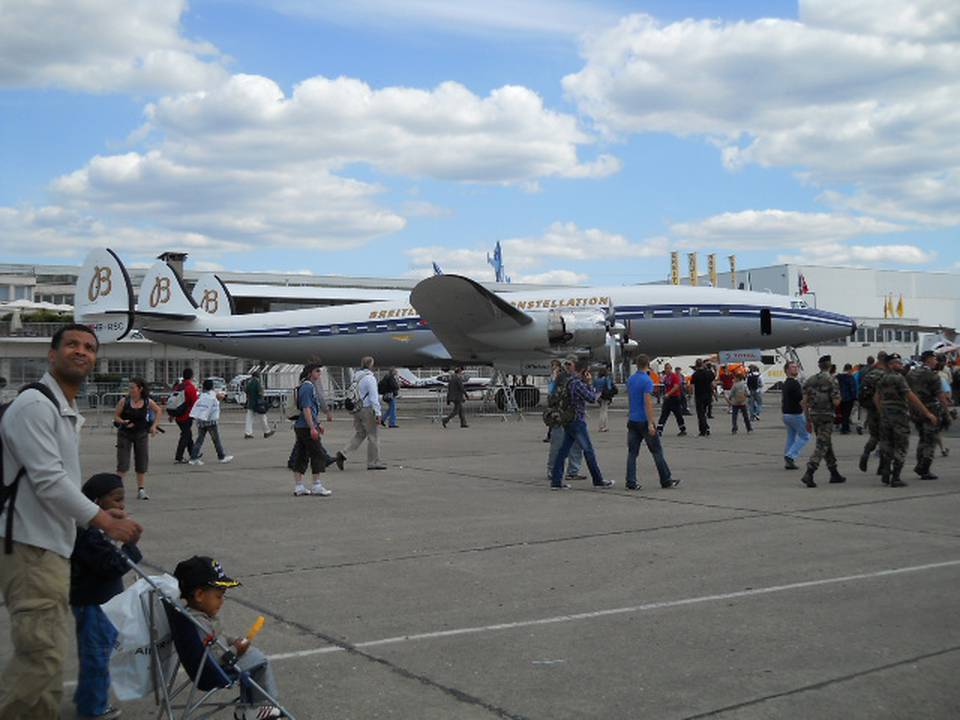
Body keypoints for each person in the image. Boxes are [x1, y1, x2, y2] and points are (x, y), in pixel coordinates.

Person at [0, 324, 143, 719]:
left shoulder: (61, 409)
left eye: (90, 347)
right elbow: (48, 481)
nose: (82, 352)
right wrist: (102, 520)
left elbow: (53, 482)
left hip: (49, 547)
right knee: (39, 658)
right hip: (32, 549)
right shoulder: (35, 406)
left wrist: (93, 511)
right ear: (52, 354)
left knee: (44, 655)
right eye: (72, 345)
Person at [173, 556, 283, 720]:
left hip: (209, 664)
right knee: (259, 660)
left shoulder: (194, 616)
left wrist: (232, 641)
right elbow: (217, 658)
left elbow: (218, 638)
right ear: (200, 595)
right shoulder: (199, 623)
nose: (222, 601)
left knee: (251, 655)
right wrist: (236, 649)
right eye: (218, 596)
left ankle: (247, 708)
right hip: (215, 670)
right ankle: (258, 707)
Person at [70, 473, 142, 720]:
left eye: (123, 500)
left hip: (100, 603)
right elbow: (111, 565)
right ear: (96, 502)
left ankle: (86, 699)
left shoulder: (94, 532)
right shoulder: (88, 534)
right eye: (116, 500)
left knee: (96, 655)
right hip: (94, 605)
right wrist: (132, 546)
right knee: (97, 658)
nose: (121, 505)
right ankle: (93, 709)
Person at [875, 353, 938, 487]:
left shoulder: (882, 378)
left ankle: (886, 472)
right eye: (897, 363)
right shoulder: (899, 378)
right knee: (901, 446)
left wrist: (882, 411)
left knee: (887, 444)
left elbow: (877, 397)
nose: (900, 365)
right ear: (891, 365)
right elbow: (911, 396)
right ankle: (896, 477)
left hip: (886, 416)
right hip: (899, 416)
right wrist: (927, 413)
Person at [549, 359, 611, 490]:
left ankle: (556, 481)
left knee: (563, 451)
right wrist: (590, 384)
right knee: (588, 450)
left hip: (568, 420)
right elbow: (591, 398)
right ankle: (598, 480)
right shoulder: (578, 383)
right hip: (577, 421)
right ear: (583, 371)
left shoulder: (568, 381)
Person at [625, 355, 677, 489]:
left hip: (633, 419)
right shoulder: (646, 380)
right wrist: (651, 423)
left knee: (632, 453)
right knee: (656, 451)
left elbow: (631, 399)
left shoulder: (630, 379)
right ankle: (666, 479)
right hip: (644, 420)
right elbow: (647, 403)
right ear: (647, 364)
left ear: (636, 364)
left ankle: (630, 481)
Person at [800, 355, 845, 488]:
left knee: (826, 443)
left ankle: (834, 472)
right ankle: (810, 471)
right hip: (826, 416)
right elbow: (836, 402)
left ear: (819, 366)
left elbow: (804, 402)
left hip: (814, 415)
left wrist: (807, 419)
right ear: (830, 366)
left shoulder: (810, 380)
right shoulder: (832, 380)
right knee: (822, 445)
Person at [113, 377, 161, 500]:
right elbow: (116, 417)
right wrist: (123, 421)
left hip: (141, 434)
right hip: (124, 434)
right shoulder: (124, 401)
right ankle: (118, 490)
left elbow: (158, 410)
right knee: (123, 463)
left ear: (140, 389)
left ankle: (141, 490)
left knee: (141, 461)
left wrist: (154, 426)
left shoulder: (147, 401)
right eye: (130, 387)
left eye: (132, 387)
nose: (130, 390)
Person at [335, 356, 385, 470]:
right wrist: (378, 413)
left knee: (360, 433)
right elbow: (373, 397)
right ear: (371, 365)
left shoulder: (356, 376)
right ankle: (373, 462)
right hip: (367, 409)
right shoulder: (370, 378)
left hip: (357, 409)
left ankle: (343, 453)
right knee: (373, 436)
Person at [291, 364, 332, 497]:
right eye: (317, 371)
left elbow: (310, 410)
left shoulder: (304, 385)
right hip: (305, 427)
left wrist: (317, 423)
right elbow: (307, 409)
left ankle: (299, 486)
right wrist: (312, 428)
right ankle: (316, 485)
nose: (319, 373)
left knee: (301, 455)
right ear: (310, 373)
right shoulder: (308, 387)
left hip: (301, 426)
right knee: (318, 454)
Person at [907, 350, 949, 480]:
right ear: (929, 359)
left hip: (915, 411)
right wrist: (946, 410)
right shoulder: (932, 376)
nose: (936, 361)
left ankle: (920, 464)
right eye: (935, 359)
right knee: (931, 440)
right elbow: (940, 395)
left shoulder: (911, 374)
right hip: (930, 410)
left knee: (922, 437)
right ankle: (924, 468)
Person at [546, 358, 585, 481]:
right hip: (562, 416)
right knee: (558, 445)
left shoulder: (575, 379)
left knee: (576, 445)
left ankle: (572, 471)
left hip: (571, 417)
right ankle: (553, 470)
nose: (568, 366)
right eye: (566, 364)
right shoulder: (563, 378)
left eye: (570, 364)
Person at [188, 379, 234, 466]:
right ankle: (221, 457)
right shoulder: (212, 395)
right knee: (216, 440)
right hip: (211, 422)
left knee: (199, 440)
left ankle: (193, 458)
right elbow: (221, 397)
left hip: (201, 421)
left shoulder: (201, 395)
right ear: (212, 387)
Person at [857, 352, 888, 473]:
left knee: (874, 436)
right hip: (882, 409)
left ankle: (866, 453)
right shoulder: (885, 375)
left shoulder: (869, 373)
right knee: (885, 438)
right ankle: (882, 466)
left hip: (871, 409)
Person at [781, 361, 810, 470]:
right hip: (795, 414)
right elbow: (801, 401)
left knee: (791, 436)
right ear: (787, 370)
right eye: (793, 367)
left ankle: (788, 459)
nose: (796, 369)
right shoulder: (794, 384)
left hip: (786, 414)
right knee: (805, 436)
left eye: (796, 367)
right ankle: (790, 456)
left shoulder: (786, 383)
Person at [172, 367, 199, 464]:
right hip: (186, 415)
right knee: (185, 435)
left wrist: (172, 415)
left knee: (187, 434)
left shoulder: (178, 387)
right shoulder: (190, 387)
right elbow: (195, 403)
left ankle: (193, 454)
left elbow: (173, 401)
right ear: (192, 376)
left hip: (177, 415)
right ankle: (179, 456)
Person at [656, 362, 687, 436]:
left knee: (678, 414)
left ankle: (682, 429)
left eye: (668, 368)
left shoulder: (674, 376)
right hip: (668, 399)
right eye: (666, 368)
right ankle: (659, 430)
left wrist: (668, 393)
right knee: (664, 414)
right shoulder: (666, 377)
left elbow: (676, 386)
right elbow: (665, 386)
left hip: (674, 398)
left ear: (671, 369)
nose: (667, 370)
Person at [243, 371, 275, 440]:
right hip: (258, 404)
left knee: (249, 419)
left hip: (250, 403)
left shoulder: (249, 382)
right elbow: (260, 392)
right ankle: (267, 432)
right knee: (263, 418)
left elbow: (245, 390)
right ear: (258, 376)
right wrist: (262, 397)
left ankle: (248, 433)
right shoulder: (257, 383)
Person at [691, 359, 715, 437]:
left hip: (699, 395)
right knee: (704, 412)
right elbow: (713, 378)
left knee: (700, 414)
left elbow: (692, 385)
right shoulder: (708, 373)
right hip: (708, 395)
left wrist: (690, 393)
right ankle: (705, 428)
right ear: (702, 365)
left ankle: (704, 430)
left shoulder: (695, 374)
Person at [837, 364, 858, 434]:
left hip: (840, 397)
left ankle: (845, 427)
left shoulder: (838, 377)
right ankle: (844, 428)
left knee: (843, 413)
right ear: (850, 369)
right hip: (848, 398)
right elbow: (853, 388)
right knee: (847, 413)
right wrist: (854, 397)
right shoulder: (850, 377)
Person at [593, 366, 615, 432]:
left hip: (598, 395)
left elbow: (593, 387)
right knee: (604, 411)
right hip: (605, 395)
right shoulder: (606, 379)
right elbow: (609, 388)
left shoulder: (596, 379)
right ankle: (602, 426)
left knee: (602, 410)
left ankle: (603, 426)